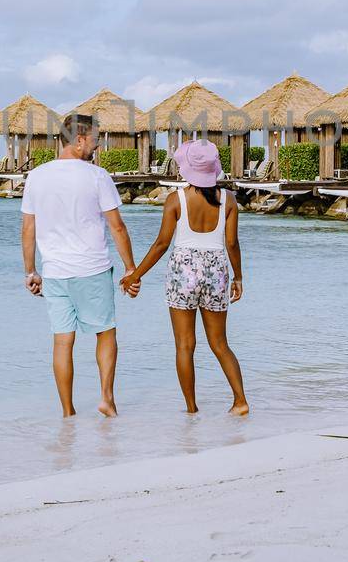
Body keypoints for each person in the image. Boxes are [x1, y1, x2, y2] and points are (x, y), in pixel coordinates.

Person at [121, 139, 248, 416]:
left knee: (184, 345)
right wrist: (238, 277)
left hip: (183, 272)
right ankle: (240, 401)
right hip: (217, 271)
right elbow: (232, 243)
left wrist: (135, 275)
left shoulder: (175, 200)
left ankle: (191, 409)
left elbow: (161, 245)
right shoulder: (229, 200)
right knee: (220, 343)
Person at [21, 116, 137, 418]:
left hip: (55, 272)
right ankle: (106, 399)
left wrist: (30, 271)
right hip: (92, 269)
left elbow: (28, 228)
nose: (98, 146)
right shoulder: (97, 176)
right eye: (95, 139)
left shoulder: (36, 176)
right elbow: (118, 227)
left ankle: (68, 412)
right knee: (106, 333)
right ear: (80, 139)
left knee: (62, 341)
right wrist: (130, 268)